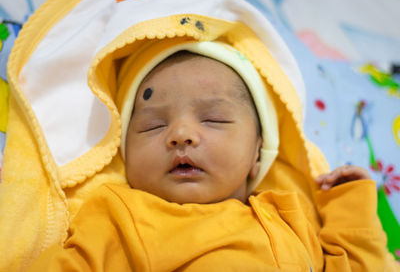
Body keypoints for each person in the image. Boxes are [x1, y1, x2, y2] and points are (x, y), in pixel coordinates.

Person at [28, 41, 392, 271]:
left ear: (257, 153)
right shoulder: (120, 215)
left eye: (214, 119)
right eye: (153, 126)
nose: (181, 135)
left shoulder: (290, 216)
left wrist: (351, 210)